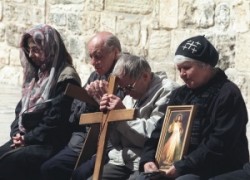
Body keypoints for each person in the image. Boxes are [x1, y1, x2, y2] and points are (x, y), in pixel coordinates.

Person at [137, 35, 249, 180]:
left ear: (205, 66)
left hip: (216, 168)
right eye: (179, 69)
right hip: (177, 166)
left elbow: (219, 143)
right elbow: (160, 130)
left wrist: (182, 166)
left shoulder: (227, 94)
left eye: (187, 68)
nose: (182, 74)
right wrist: (148, 159)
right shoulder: (180, 94)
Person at [0, 24, 81, 180]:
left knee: (9, 162)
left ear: (49, 48)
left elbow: (55, 119)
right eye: (29, 50)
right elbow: (21, 109)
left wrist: (27, 138)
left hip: (50, 141)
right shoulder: (37, 73)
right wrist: (17, 133)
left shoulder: (65, 77)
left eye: (36, 50)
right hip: (28, 137)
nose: (31, 55)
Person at [40, 31, 122, 180]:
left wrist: (104, 101)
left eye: (98, 56)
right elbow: (74, 114)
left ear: (115, 53)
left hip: (110, 144)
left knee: (81, 174)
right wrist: (91, 102)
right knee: (50, 167)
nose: (93, 62)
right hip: (84, 139)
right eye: (91, 56)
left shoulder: (124, 78)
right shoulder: (95, 76)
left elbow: (121, 118)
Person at [94, 53, 179, 180]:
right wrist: (109, 116)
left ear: (145, 76)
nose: (126, 93)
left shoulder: (168, 91)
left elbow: (153, 136)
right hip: (122, 159)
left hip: (147, 161)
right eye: (122, 89)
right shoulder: (130, 96)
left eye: (128, 87)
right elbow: (117, 142)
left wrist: (122, 116)